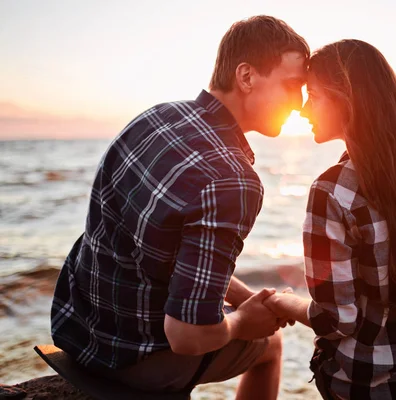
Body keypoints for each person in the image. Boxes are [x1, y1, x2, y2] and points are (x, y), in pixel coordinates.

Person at [50, 16, 309, 400]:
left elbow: (160, 254)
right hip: (132, 361)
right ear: (247, 76)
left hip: (77, 329)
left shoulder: (156, 118)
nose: (300, 103)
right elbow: (187, 335)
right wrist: (241, 322)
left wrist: (240, 297)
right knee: (269, 348)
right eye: (292, 86)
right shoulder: (233, 179)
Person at [264, 39, 396, 400]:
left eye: (313, 95)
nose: (303, 109)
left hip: (375, 387)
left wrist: (285, 303)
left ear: (345, 100)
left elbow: (335, 320)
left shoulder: (330, 191)